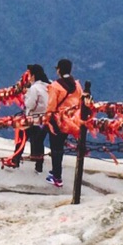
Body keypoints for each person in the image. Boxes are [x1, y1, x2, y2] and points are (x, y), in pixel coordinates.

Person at [46, 59, 83, 187]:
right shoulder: (77, 85)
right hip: (71, 121)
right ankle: (56, 172)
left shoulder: (55, 86)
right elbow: (80, 102)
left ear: (59, 70)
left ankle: (57, 176)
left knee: (55, 147)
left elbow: (51, 106)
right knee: (60, 146)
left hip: (57, 120)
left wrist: (47, 118)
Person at [20, 64, 51, 172]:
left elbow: (30, 104)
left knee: (22, 137)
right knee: (39, 142)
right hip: (44, 119)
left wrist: (25, 97)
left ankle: (16, 159)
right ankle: (39, 165)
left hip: (32, 118)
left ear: (33, 75)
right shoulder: (49, 85)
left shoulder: (34, 88)